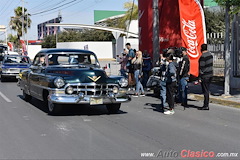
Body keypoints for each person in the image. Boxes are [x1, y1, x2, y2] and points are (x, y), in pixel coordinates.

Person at [198, 44, 213, 110]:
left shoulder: (203, 57)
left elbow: (201, 68)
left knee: (205, 91)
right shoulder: (210, 55)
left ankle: (206, 105)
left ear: (201, 49)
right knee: (207, 90)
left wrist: (199, 77)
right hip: (210, 74)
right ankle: (206, 104)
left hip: (205, 76)